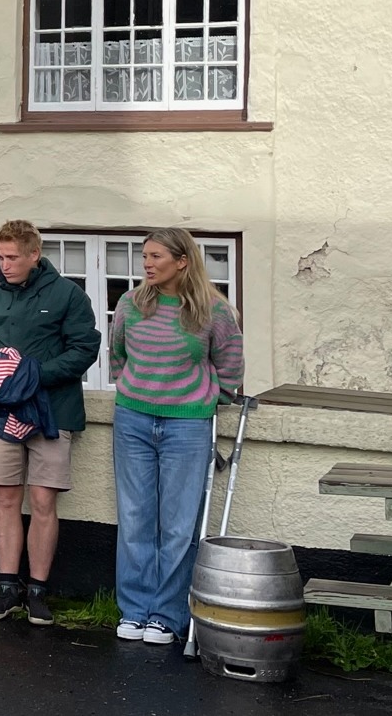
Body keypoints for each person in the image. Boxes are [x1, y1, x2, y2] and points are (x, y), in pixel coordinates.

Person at [110, 228, 244, 646]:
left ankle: (166, 615)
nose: (146, 263)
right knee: (134, 518)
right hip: (132, 420)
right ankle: (133, 610)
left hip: (187, 426)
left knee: (178, 524)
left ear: (182, 260)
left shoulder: (214, 312)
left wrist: (203, 400)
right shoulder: (131, 303)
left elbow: (231, 366)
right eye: (144, 256)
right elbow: (118, 355)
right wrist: (135, 387)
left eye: (155, 256)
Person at [0, 219, 101, 625]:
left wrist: (35, 375)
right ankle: (7, 589)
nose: (4, 264)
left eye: (12, 257)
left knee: (43, 502)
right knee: (5, 499)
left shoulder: (67, 294)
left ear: (34, 255)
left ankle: (37, 592)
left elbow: (85, 348)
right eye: (0, 257)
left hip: (52, 412)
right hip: (2, 411)